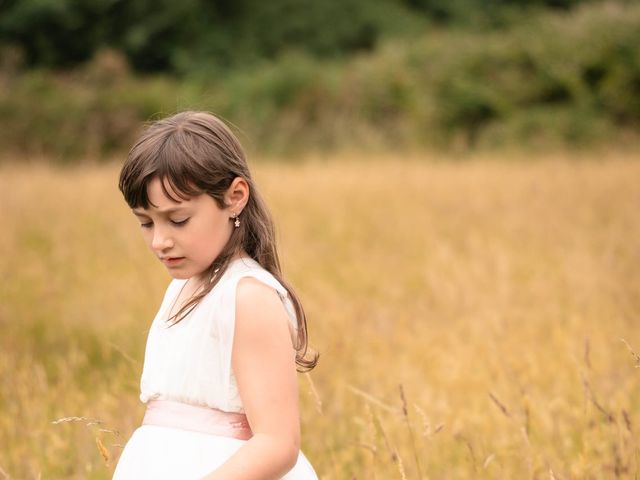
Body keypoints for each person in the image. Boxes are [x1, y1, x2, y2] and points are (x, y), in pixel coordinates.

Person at [112, 111, 319, 479]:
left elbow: (278, 442)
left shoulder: (247, 297)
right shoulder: (183, 287)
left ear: (235, 197)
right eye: (145, 222)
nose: (159, 241)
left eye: (178, 220)